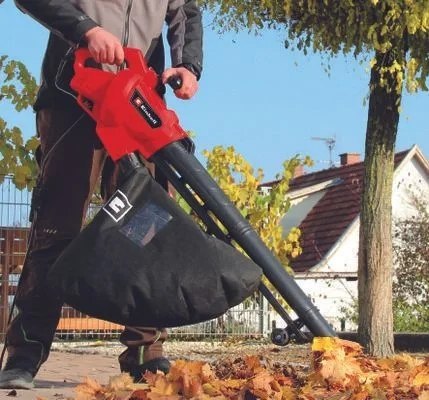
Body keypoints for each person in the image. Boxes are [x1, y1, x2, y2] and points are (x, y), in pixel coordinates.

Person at [0, 0, 203, 390]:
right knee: (57, 227)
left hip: (139, 100)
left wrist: (187, 65)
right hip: (73, 95)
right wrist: (86, 30)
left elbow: (186, 12)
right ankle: (24, 355)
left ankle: (145, 354)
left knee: (146, 230)